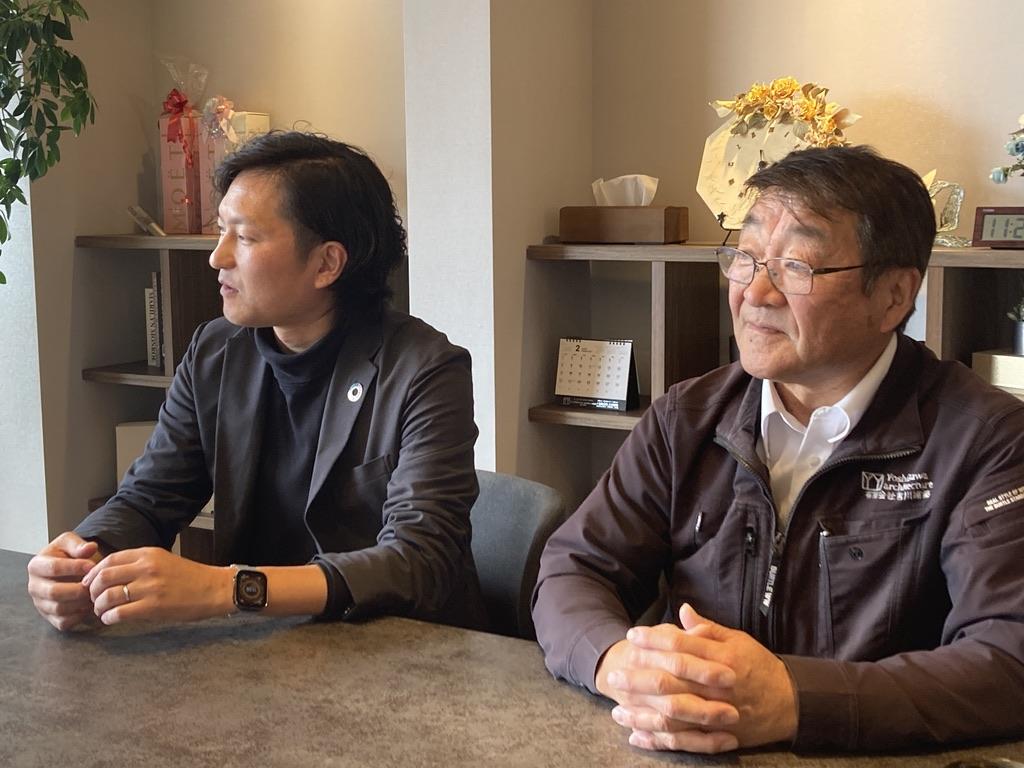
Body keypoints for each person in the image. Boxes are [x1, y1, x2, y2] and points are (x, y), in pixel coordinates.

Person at [532, 145, 1024, 753]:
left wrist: (795, 700)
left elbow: (1008, 658)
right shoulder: (688, 417)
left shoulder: (986, 441)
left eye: (796, 266)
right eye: (745, 256)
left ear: (894, 296)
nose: (754, 291)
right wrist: (617, 663)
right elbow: (575, 568)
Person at [28, 131, 484, 631]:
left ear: (326, 263)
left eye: (243, 238)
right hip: (259, 646)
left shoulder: (425, 370)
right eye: (221, 230)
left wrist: (226, 588)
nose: (217, 257)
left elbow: (419, 560)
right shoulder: (215, 351)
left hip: (397, 647)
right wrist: (83, 557)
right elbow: (148, 499)